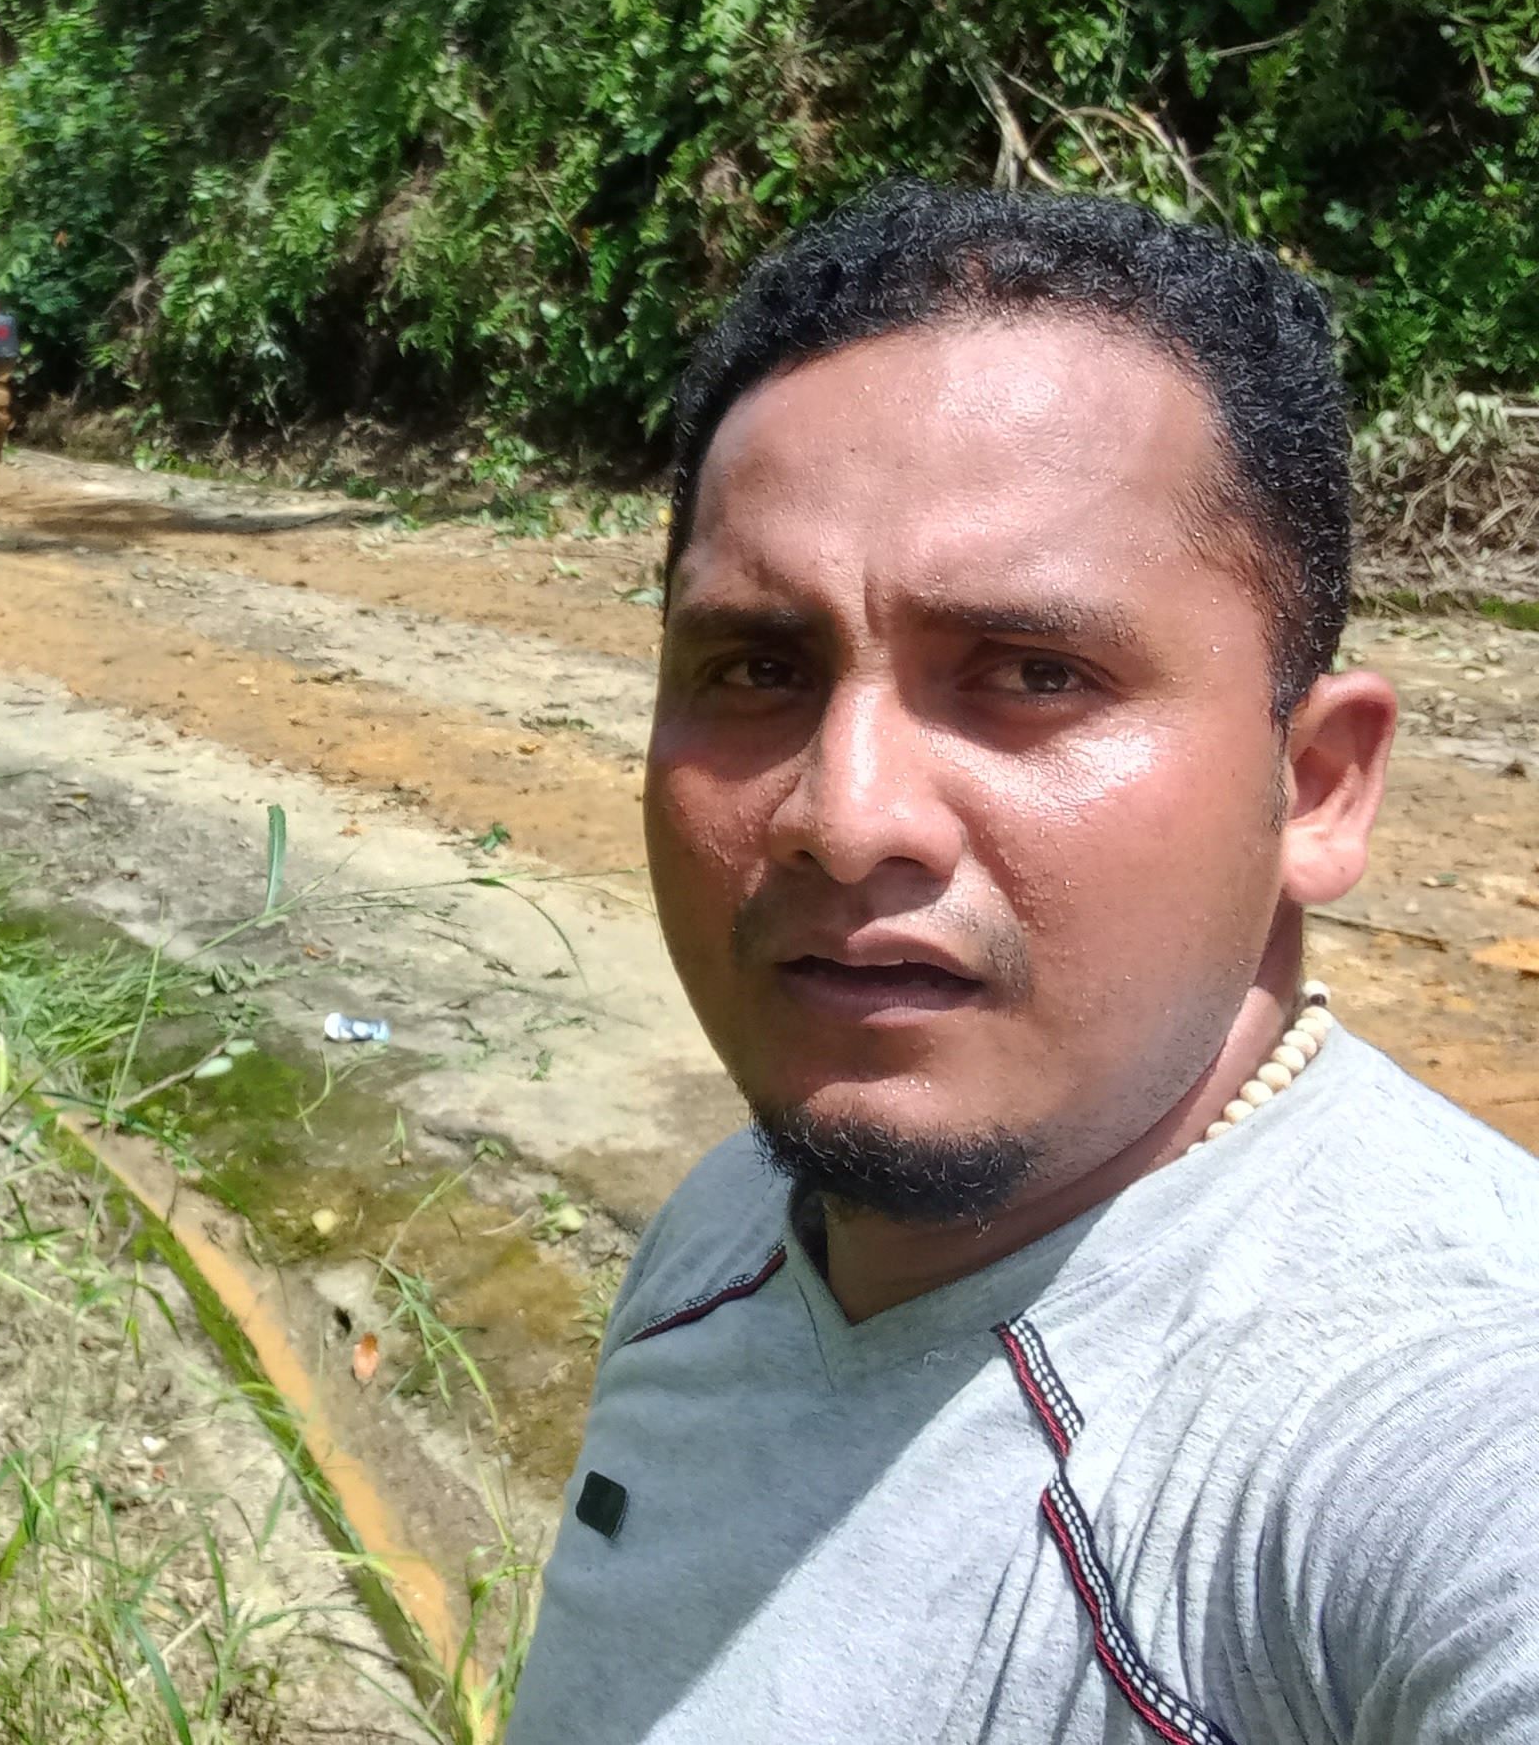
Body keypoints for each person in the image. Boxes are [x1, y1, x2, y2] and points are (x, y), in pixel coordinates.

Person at [509, 182, 1539, 1743]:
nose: (844, 819)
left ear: (1316, 788)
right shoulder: (726, 1234)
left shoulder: (1430, 1427)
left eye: (1035, 674)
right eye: (759, 666)